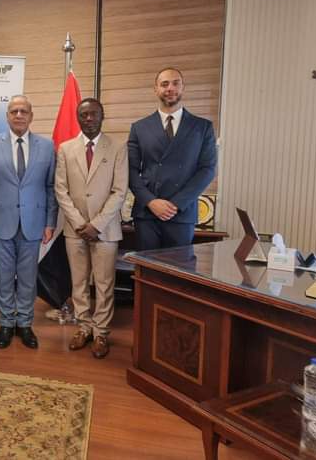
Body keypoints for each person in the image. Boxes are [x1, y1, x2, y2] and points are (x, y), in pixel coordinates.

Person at [0, 95, 57, 350]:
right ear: (7, 116)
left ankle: (24, 323)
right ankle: (5, 323)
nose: (19, 115)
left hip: (34, 223)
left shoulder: (47, 146)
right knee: (3, 276)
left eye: (23, 111)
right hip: (1, 224)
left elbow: (51, 187)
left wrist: (50, 222)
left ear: (31, 116)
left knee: (28, 277)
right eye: (14, 111)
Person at [55, 98, 128, 359]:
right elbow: (61, 190)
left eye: (93, 114)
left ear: (102, 116)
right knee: (79, 282)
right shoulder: (65, 149)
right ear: (78, 118)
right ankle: (84, 327)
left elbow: (120, 191)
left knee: (105, 283)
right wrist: (79, 223)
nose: (89, 119)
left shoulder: (118, 147)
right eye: (84, 115)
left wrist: (96, 225)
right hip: (74, 230)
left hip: (105, 230)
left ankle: (101, 333)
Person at [128, 68, 217, 250]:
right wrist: (151, 201)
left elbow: (207, 169)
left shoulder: (202, 127)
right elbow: (130, 170)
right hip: (147, 213)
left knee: (178, 266)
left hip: (182, 213)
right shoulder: (139, 127)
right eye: (164, 84)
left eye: (176, 83)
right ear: (156, 89)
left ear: (183, 87)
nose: (170, 88)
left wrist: (176, 204)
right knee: (146, 266)